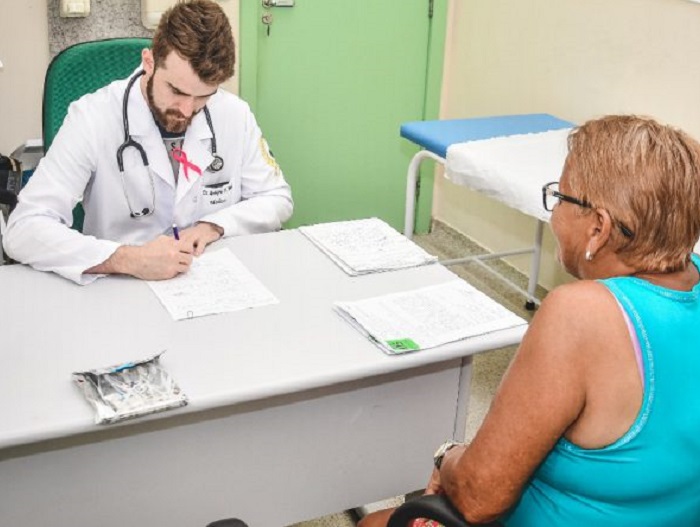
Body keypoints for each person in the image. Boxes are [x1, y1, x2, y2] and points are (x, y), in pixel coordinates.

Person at [359, 115, 700, 527]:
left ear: (598, 228)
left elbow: (479, 498)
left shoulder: (582, 314)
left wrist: (447, 456)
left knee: (374, 523)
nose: (554, 212)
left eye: (560, 197)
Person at [3, 0, 292, 285]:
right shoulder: (92, 118)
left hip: (209, 281)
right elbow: (23, 229)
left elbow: (277, 198)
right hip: (119, 285)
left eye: (203, 96)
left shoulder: (234, 114)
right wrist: (127, 259)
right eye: (176, 91)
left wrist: (215, 225)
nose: (187, 110)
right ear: (149, 62)